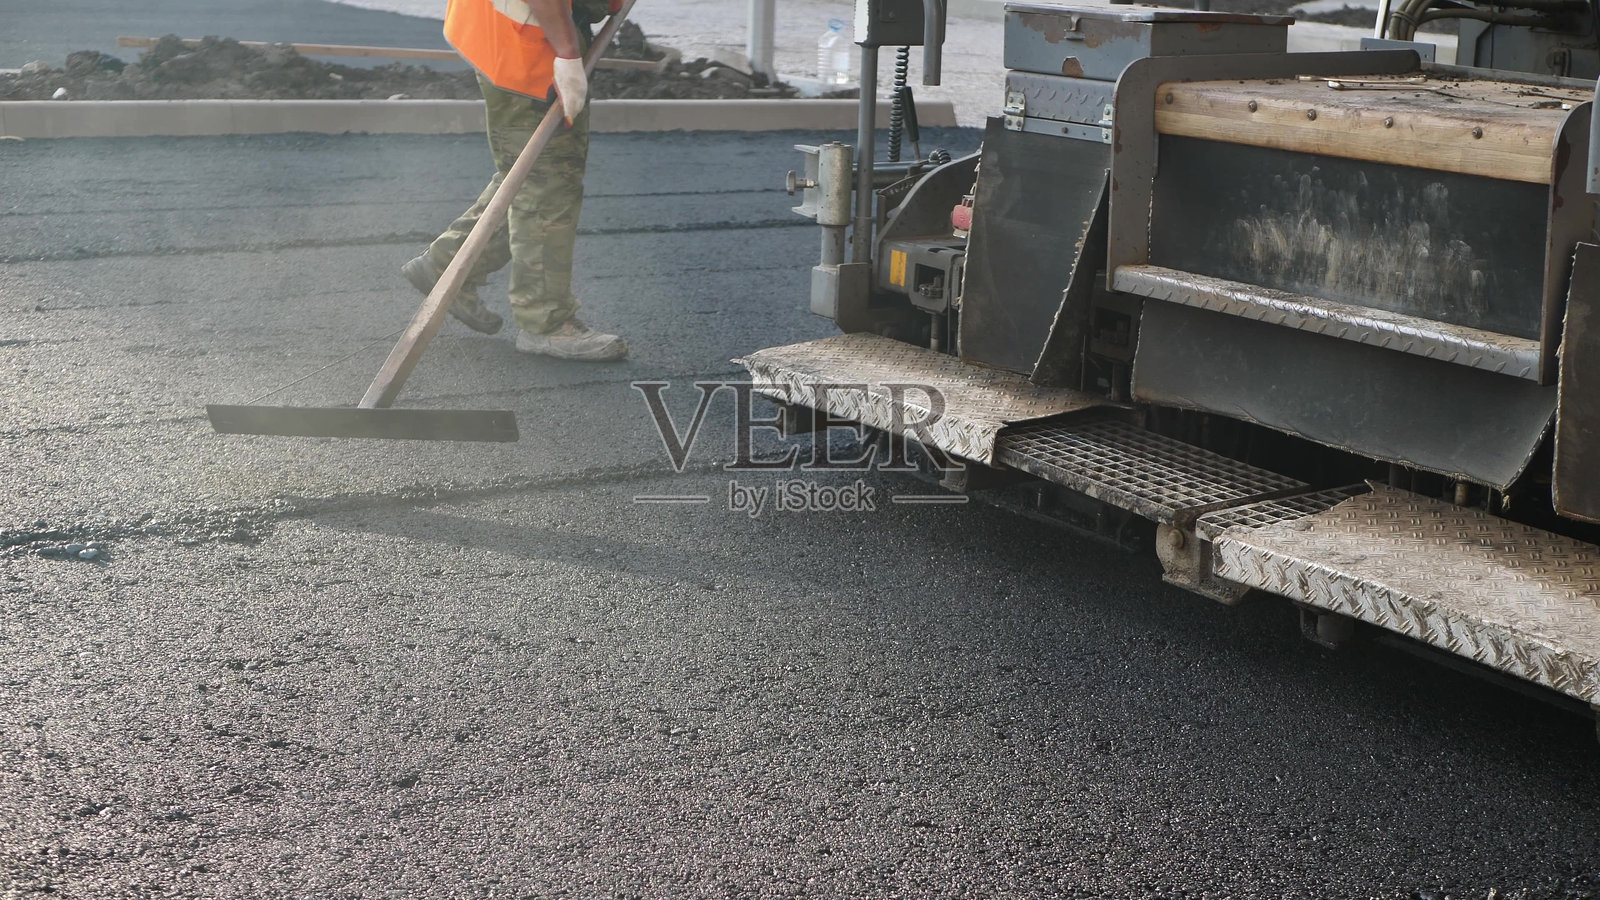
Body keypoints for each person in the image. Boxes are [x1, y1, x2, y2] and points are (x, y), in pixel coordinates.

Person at [402, 0, 628, 362]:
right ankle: (545, 321)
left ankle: (451, 264)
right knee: (546, 183)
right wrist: (568, 53)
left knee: (529, 171)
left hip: (514, 30)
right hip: (529, 42)